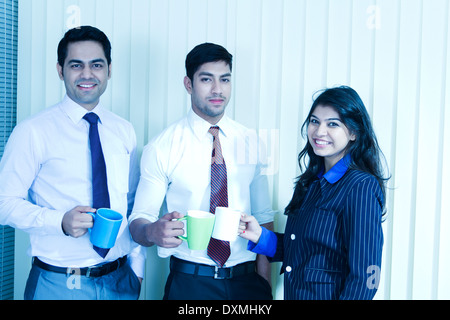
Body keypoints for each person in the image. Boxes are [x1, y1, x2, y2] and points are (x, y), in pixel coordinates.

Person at [0, 26, 144, 300]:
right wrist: (60, 222)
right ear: (60, 70)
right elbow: (4, 203)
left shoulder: (124, 130)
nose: (87, 74)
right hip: (58, 284)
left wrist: (137, 269)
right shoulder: (33, 131)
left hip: (121, 281)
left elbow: (134, 205)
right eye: (76, 65)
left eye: (96, 65)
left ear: (109, 70)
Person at [129, 43, 275, 300]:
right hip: (190, 284)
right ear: (188, 84)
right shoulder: (162, 147)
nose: (218, 89)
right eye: (207, 79)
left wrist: (264, 286)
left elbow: (264, 219)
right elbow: (139, 219)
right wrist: (152, 231)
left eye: (225, 80)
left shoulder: (251, 142)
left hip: (247, 283)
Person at [239, 86, 388, 300]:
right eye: (314, 121)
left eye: (333, 124)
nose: (319, 131)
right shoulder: (311, 182)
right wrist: (259, 235)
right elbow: (301, 248)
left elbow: (366, 276)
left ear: (354, 132)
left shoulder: (360, 185)